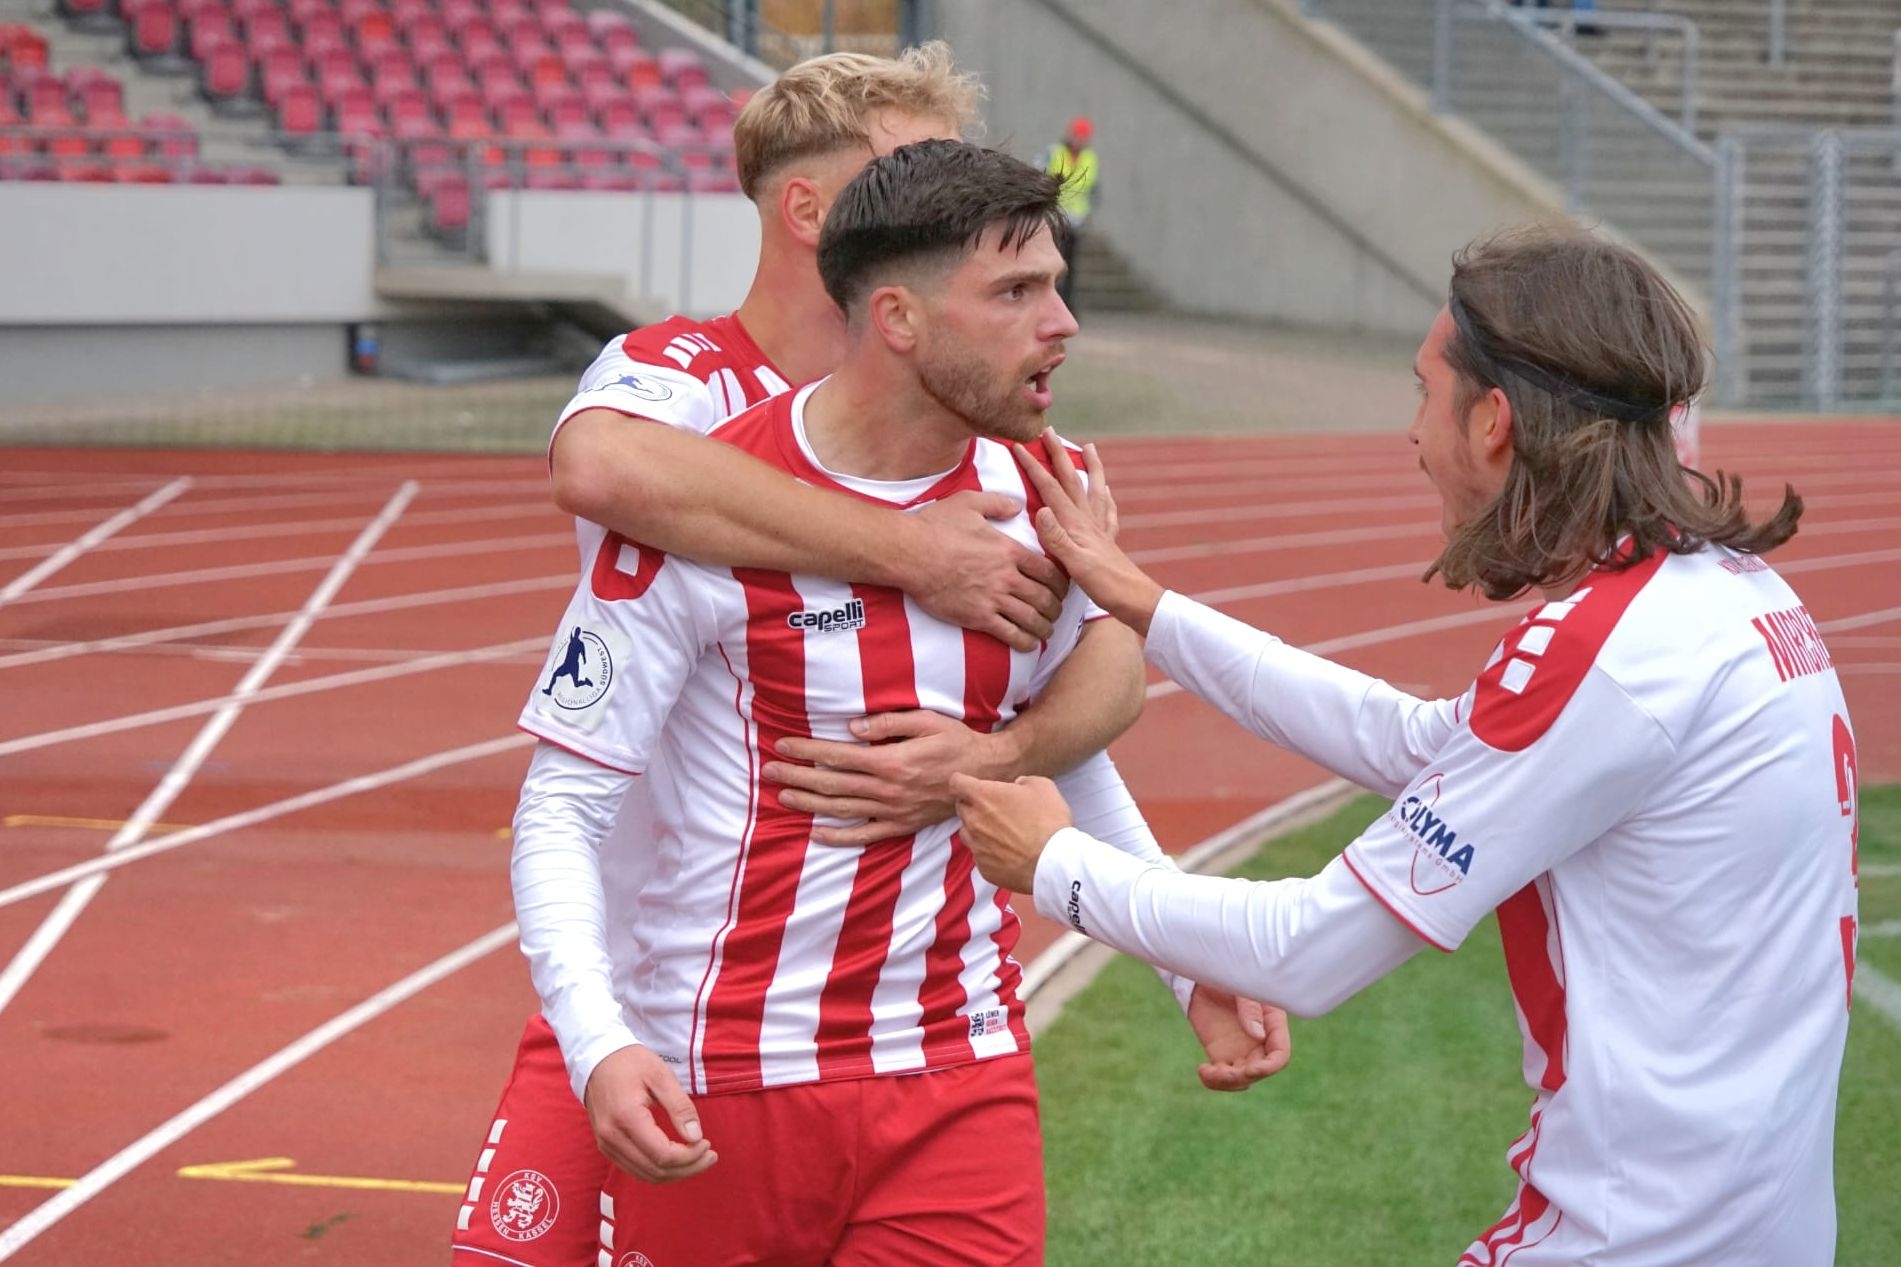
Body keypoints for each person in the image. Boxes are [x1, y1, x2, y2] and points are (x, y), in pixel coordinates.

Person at [953, 223, 1855, 1265]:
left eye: (1423, 394)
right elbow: (1420, 742)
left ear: (1493, 422)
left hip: (1632, 1241)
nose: (1413, 435)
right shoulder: (1731, 594)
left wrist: (1054, 863)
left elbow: (1305, 951)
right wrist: (1145, 606)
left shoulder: (1607, 652)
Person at [448, 48, 1174, 1266]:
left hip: (906, 1031)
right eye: (916, 168)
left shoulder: (988, 447)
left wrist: (1018, 771)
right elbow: (602, 467)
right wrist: (911, 551)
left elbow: (1071, 685)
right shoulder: (680, 393)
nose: (944, 194)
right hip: (656, 986)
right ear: (814, 214)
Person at [1043, 115, 1097, 310]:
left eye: (1084, 137)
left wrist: (1087, 214)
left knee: (1070, 266)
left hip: (1076, 221)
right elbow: (1043, 179)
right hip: (1056, 218)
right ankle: (1051, 303)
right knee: (1053, 264)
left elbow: (1092, 190)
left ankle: (1067, 304)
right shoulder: (1055, 152)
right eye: (1077, 135)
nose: (1080, 140)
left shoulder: (1090, 158)